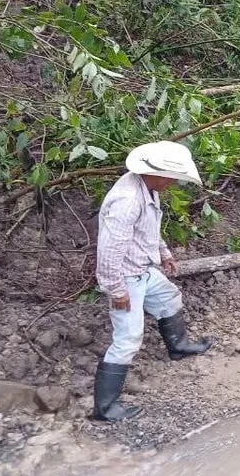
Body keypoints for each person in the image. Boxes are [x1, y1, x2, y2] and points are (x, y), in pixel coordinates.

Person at [91, 140, 213, 422]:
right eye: (170, 177)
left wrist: (163, 253)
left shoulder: (148, 188)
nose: (172, 182)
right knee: (128, 339)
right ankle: (104, 409)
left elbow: (148, 230)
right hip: (126, 276)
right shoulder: (127, 201)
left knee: (169, 298)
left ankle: (178, 347)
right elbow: (109, 251)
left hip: (143, 268)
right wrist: (116, 289)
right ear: (155, 173)